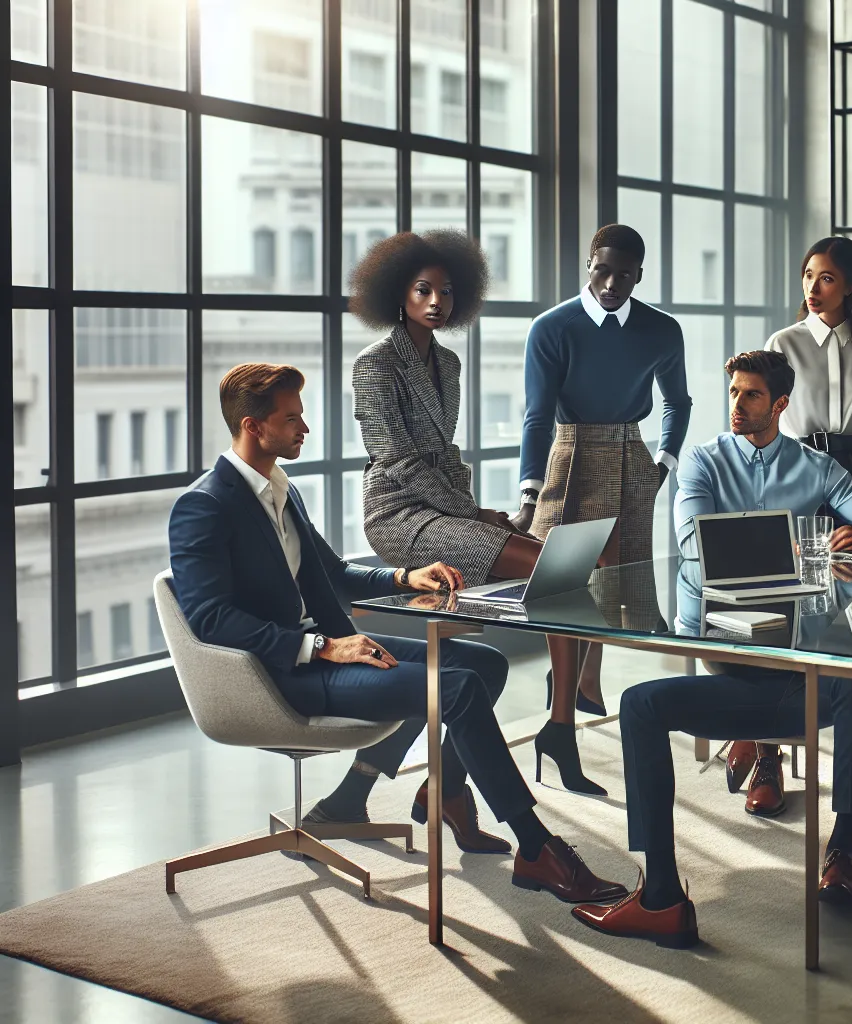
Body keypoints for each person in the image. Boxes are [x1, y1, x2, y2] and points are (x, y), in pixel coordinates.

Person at [170, 364, 627, 906]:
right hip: (281, 673)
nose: (305, 429)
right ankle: (537, 848)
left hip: (323, 650)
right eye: (291, 419)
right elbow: (210, 619)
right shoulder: (205, 505)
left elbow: (333, 573)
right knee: (456, 688)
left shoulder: (279, 492)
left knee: (484, 663)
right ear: (253, 426)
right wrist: (323, 647)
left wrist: (405, 577)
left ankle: (443, 792)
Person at [572, 352, 852, 946]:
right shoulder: (704, 460)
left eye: (752, 395)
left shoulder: (815, 466)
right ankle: (661, 894)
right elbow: (695, 543)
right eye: (735, 393)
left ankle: (841, 851)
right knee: (641, 702)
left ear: (780, 404)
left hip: (799, 658)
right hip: (725, 641)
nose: (737, 405)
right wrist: (800, 545)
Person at [347, 231, 611, 798]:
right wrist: (472, 513)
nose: (436, 301)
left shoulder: (448, 362)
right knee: (553, 571)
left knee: (567, 570)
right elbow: (395, 459)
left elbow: (445, 452)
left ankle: (558, 724)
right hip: (397, 513)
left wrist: (478, 513)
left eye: (446, 291)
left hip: (445, 507)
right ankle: (555, 734)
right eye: (423, 290)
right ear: (397, 293)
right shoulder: (374, 364)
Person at [513, 223, 692, 791]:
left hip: (632, 459)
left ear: (640, 275)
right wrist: (528, 491)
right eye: (602, 270)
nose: (612, 284)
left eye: (625, 275)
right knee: (564, 588)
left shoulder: (662, 329)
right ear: (589, 265)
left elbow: (678, 401)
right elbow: (537, 416)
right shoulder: (552, 327)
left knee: (616, 587)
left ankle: (581, 687)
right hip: (571, 458)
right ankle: (562, 719)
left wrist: (662, 464)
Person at [765, 237, 852, 492]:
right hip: (797, 469)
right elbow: (764, 418)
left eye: (826, 279)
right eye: (808, 275)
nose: (812, 288)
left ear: (849, 286)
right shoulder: (782, 344)